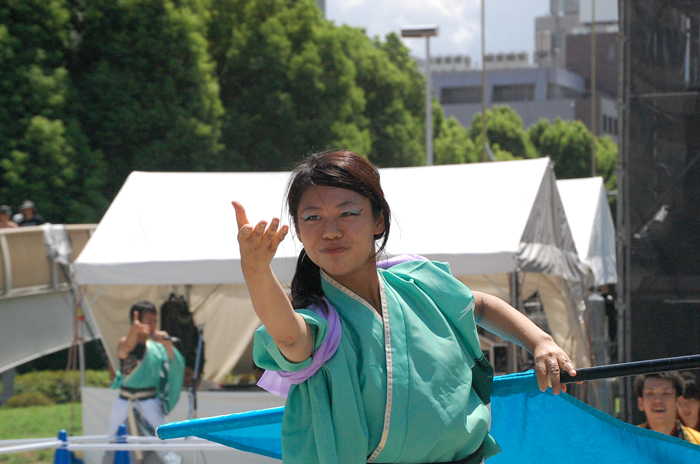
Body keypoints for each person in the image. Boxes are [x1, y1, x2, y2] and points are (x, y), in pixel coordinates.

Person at [232, 150, 577, 464]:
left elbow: (482, 305)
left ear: (378, 220)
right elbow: (290, 337)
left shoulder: (418, 283)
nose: (331, 231)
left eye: (348, 213)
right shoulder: (321, 322)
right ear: (298, 231)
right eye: (312, 218)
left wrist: (541, 341)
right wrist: (256, 269)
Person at [105, 301, 185, 463]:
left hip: (150, 403)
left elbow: (176, 367)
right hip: (124, 403)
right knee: (114, 443)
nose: (153, 326)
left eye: (155, 321)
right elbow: (125, 349)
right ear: (137, 321)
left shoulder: (158, 347)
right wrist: (134, 331)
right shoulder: (125, 342)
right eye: (149, 321)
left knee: (163, 446)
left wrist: (168, 345)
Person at [634, 372, 700, 444]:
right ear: (641, 403)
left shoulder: (697, 443)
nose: (658, 400)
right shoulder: (627, 444)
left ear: (679, 402)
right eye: (650, 393)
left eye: (666, 393)